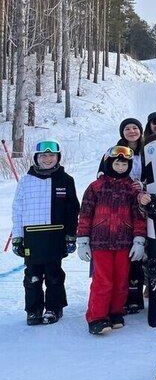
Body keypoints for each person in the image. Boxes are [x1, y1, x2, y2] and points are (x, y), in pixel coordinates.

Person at [76, 145, 150, 334]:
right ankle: (97, 316)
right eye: (117, 162)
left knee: (121, 280)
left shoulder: (132, 189)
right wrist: (83, 239)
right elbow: (85, 214)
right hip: (100, 243)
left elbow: (138, 217)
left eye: (124, 164)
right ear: (109, 162)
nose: (120, 166)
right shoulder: (96, 187)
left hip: (124, 242)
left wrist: (139, 240)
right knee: (103, 280)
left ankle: (116, 311)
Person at [11, 139, 80, 326]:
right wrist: (17, 237)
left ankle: (53, 308)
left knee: (54, 274)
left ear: (58, 157)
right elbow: (18, 209)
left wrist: (70, 236)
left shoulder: (65, 180)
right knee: (32, 276)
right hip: (32, 236)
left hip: (55, 235)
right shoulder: (26, 181)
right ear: (36, 158)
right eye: (43, 156)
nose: (47, 159)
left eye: (52, 155)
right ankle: (33, 310)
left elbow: (72, 210)